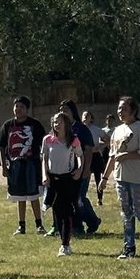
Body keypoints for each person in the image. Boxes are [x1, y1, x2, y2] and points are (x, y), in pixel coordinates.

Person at [98, 96, 140, 259]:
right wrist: (105, 178)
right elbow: (112, 157)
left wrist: (127, 155)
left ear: (133, 111)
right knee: (126, 212)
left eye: (124, 109)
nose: (120, 112)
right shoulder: (117, 130)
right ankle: (129, 247)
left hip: (138, 179)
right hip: (121, 178)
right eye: (119, 108)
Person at [0, 96, 46, 236]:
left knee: (33, 195)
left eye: (21, 107)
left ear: (27, 109)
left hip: (32, 165)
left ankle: (39, 224)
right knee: (19, 196)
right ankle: (21, 226)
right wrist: (4, 167)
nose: (18, 109)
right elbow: (1, 146)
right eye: (16, 106)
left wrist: (44, 166)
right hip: (15, 166)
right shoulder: (8, 125)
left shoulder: (35, 125)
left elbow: (45, 146)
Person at [41, 112, 83, 256]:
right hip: (53, 179)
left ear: (66, 123)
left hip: (67, 179)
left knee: (66, 212)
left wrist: (79, 170)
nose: (56, 124)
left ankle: (65, 244)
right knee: (57, 212)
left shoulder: (73, 140)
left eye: (59, 122)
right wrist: (45, 175)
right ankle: (63, 238)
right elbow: (44, 159)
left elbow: (80, 156)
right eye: (54, 122)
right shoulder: (47, 140)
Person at [59, 99, 101, 237]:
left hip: (81, 169)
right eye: (61, 109)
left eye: (65, 109)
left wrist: (86, 169)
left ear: (72, 111)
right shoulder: (60, 128)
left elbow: (88, 150)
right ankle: (77, 227)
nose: (62, 112)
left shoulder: (81, 129)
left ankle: (93, 221)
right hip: (66, 171)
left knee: (79, 199)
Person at [82, 110, 105, 200]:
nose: (86, 117)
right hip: (83, 156)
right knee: (84, 178)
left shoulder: (95, 129)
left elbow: (107, 139)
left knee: (97, 178)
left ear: (91, 118)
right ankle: (82, 197)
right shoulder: (79, 129)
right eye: (84, 115)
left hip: (95, 156)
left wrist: (99, 146)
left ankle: (100, 199)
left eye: (88, 115)